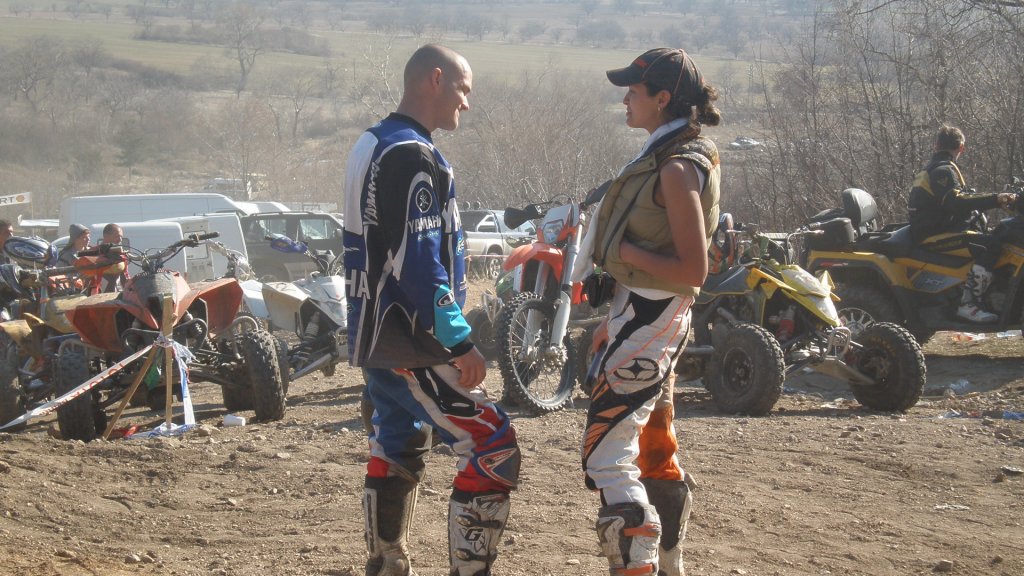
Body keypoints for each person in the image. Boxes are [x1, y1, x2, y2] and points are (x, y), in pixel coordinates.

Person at [342, 44, 520, 576]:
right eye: (463, 90)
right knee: (492, 443)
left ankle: (386, 563)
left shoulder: (372, 142)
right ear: (435, 80)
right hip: (413, 336)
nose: (466, 103)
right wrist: (459, 340)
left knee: (397, 440)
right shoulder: (411, 153)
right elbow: (418, 261)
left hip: (377, 330)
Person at [582, 47, 721, 576]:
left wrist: (619, 251)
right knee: (653, 449)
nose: (625, 99)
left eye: (634, 91)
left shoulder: (677, 167)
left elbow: (693, 268)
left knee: (606, 456)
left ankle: (640, 563)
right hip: (647, 314)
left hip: (651, 317)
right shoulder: (673, 154)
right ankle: (669, 564)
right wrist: (613, 317)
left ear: (663, 98)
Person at [907, 125, 1015, 323]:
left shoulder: (935, 167)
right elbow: (955, 202)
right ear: (961, 148)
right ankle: (968, 304)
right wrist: (995, 199)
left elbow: (960, 199)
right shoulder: (943, 170)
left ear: (936, 145)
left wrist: (994, 199)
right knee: (990, 245)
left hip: (936, 229)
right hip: (933, 235)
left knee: (997, 234)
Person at [99, 223, 129, 292]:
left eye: (121, 237)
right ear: (106, 236)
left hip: (115, 294)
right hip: (96, 295)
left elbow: (125, 277)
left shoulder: (121, 255)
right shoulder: (94, 253)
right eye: (117, 236)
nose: (120, 240)